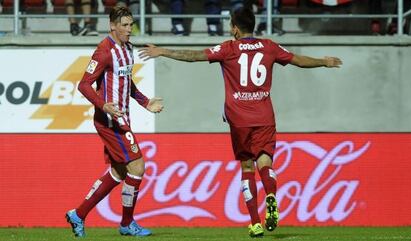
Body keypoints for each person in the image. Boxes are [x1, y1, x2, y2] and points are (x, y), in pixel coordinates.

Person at [138, 7, 342, 237]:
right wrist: (324, 61)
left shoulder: (228, 48)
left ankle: (255, 222)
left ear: (234, 28)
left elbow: (194, 56)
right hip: (264, 116)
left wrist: (162, 51)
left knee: (247, 168)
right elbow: (299, 60)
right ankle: (271, 195)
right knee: (265, 162)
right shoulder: (269, 46)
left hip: (239, 119)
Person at [65, 6, 163, 238]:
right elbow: (84, 84)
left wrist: (145, 102)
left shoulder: (127, 49)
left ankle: (78, 214)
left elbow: (127, 83)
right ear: (113, 26)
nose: (130, 30)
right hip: (109, 121)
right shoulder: (104, 51)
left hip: (121, 118)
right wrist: (103, 105)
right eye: (125, 25)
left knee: (119, 172)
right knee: (138, 166)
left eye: (131, 25)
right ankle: (127, 223)